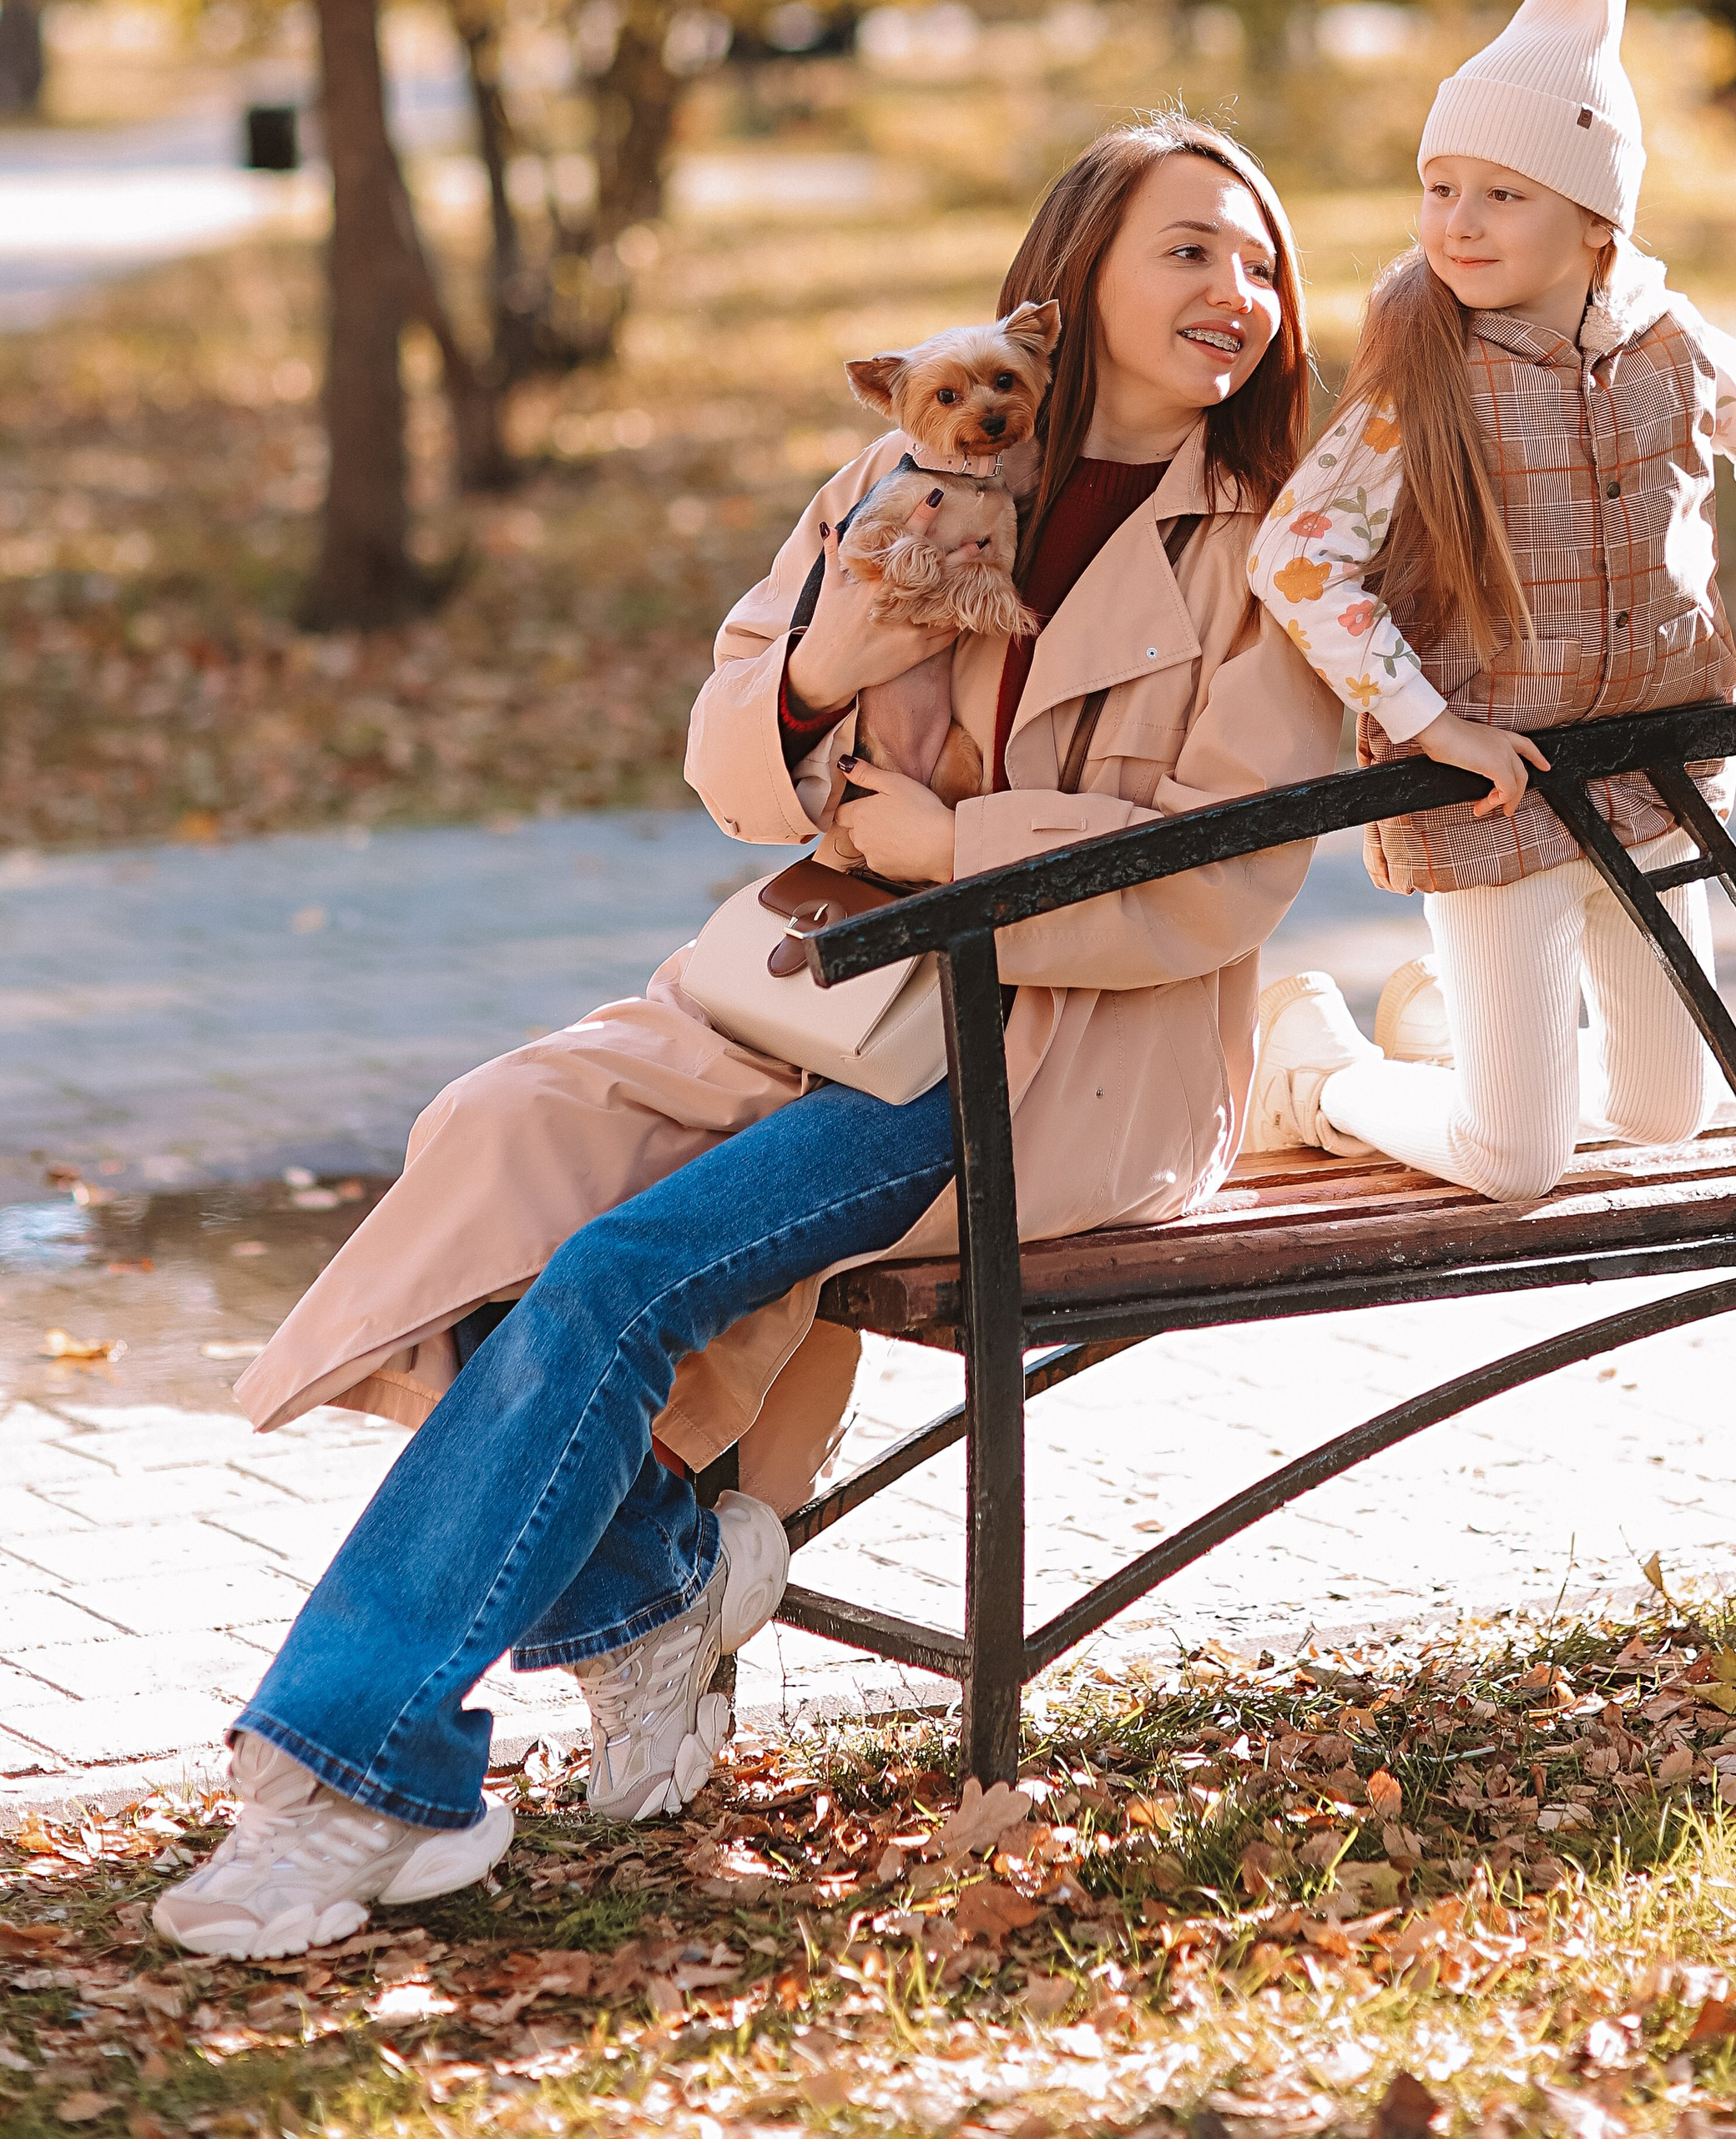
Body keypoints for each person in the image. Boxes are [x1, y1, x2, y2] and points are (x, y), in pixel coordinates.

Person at [156, 117, 1339, 1959]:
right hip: (811, 986)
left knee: (624, 1273)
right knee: (496, 1144)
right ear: (1075, 275)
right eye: (1190, 248)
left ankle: (348, 1776)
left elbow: (1234, 868)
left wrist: (959, 850)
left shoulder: (1271, 544)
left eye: (1258, 262)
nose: (1236, 294)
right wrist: (819, 676)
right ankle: (648, 1593)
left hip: (1045, 1056)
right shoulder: (916, 453)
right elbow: (729, 750)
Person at [1244, 0, 1736, 1203]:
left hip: (1656, 772)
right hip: (1494, 796)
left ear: (1596, 220)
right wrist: (1427, 722)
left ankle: (1463, 1043)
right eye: (1439, 187)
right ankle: (1320, 1074)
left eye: (1501, 196)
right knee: (1517, 1164)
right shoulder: (1426, 381)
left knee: (1662, 1114)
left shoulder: (1679, 347)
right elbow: (1295, 557)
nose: (1456, 223)